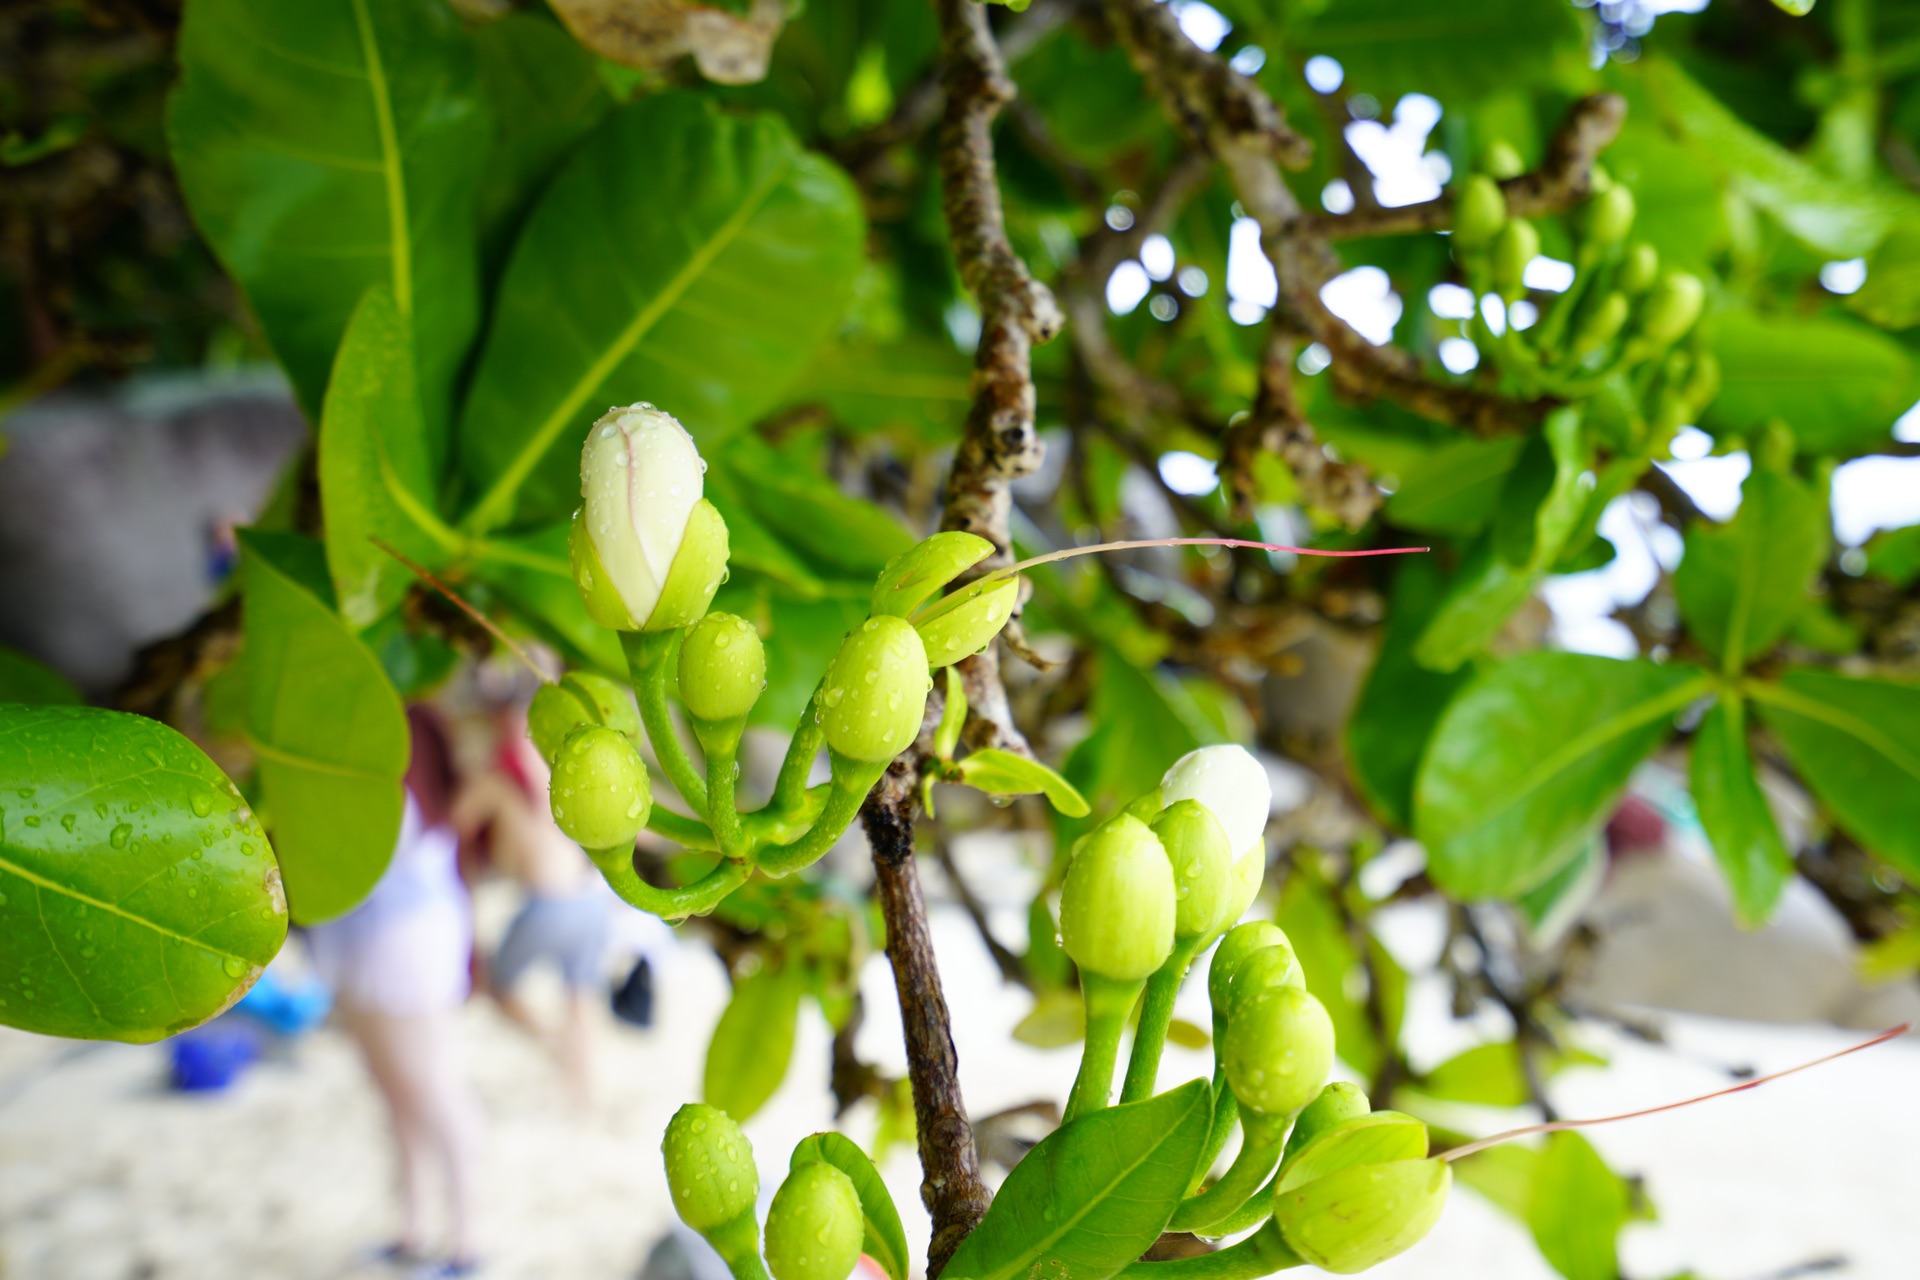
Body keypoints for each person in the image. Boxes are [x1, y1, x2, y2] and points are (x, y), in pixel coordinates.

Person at [307, 706, 482, 1278]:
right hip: (370, 948)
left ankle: (467, 1242)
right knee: (396, 1092)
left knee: (433, 1090)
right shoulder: (399, 795)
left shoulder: (397, 802)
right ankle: (416, 1228)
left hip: (404, 952)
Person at [455, 703, 612, 1109]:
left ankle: (555, 1045)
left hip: (551, 903)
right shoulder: (557, 774)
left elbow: (457, 818)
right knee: (581, 996)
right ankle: (584, 1092)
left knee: (498, 986)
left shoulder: (501, 779)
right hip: (593, 897)